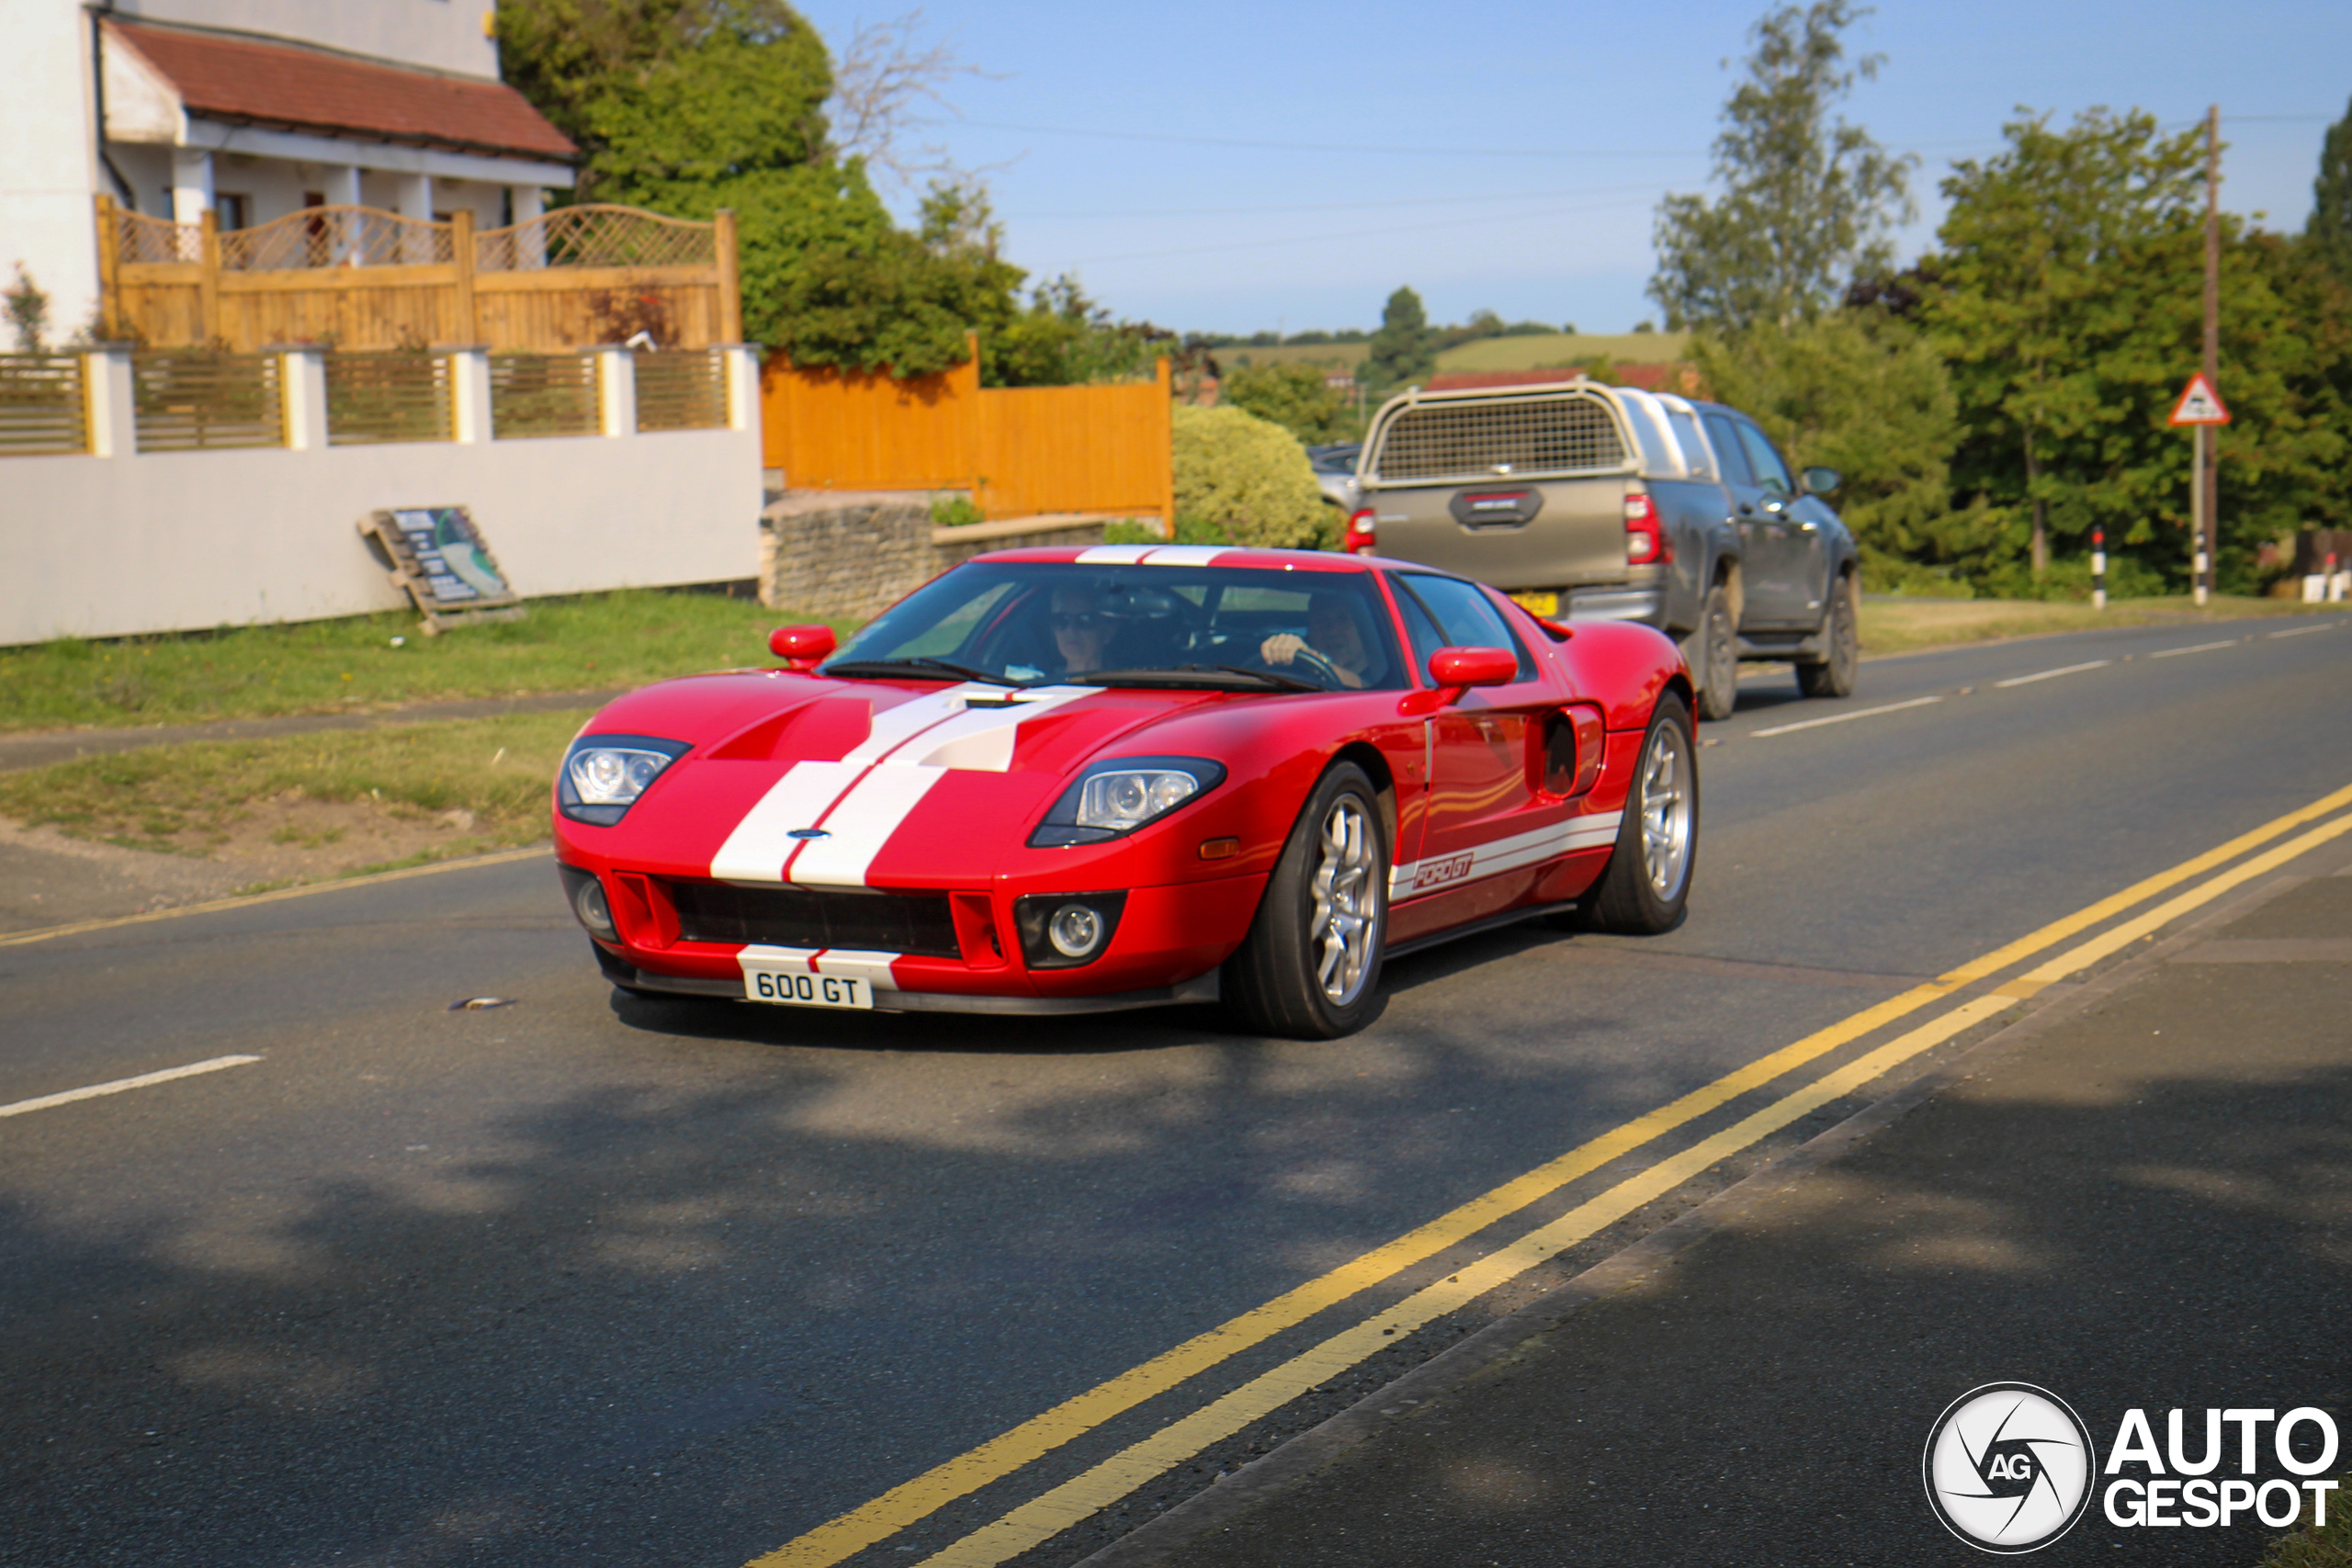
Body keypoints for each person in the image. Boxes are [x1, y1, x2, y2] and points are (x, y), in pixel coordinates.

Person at [1260, 592, 1375, 688]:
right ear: (1309, 631)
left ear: (1364, 628)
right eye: (1320, 621)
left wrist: (1317, 661)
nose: (1332, 631)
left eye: (1343, 620)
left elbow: (1371, 692)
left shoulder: (1386, 667)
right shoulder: (1292, 672)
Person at [1048, 582, 1115, 676]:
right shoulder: (1033, 686)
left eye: (1085, 620)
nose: (1070, 629)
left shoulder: (1126, 688)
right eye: (1061, 619)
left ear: (1107, 632)